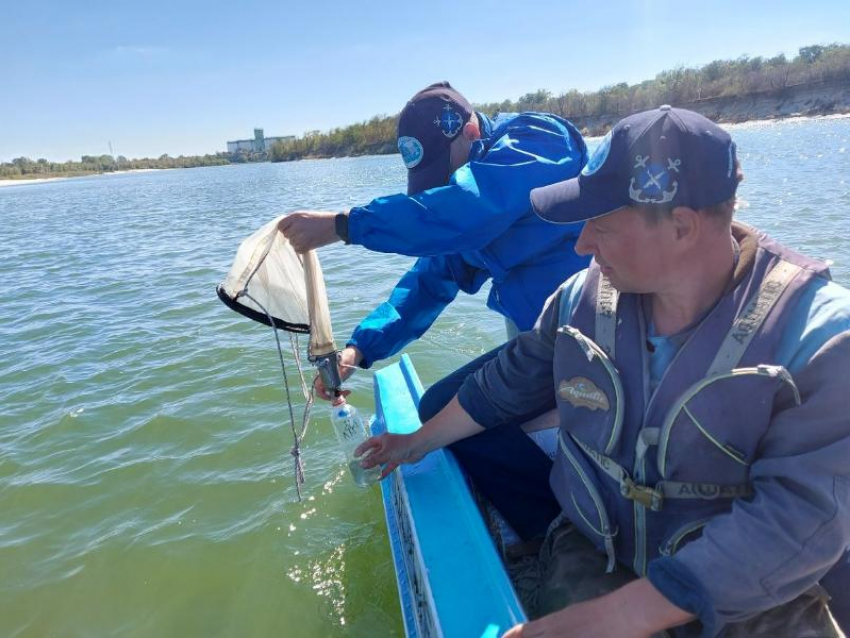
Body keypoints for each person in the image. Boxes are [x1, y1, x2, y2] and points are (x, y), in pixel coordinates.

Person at [357, 105, 850, 636]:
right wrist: (416, 442)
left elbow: (795, 521)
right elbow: (503, 385)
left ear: (681, 227)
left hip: (752, 592)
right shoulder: (579, 301)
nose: (581, 244)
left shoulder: (820, 339)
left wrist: (615, 618)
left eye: (602, 225)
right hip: (601, 546)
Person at [280, 82, 590, 539]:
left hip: (600, 332)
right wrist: (358, 352)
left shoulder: (539, 140)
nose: (444, 187)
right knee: (439, 407)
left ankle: (561, 533)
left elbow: (466, 208)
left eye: (445, 176)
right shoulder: (466, 200)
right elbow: (427, 284)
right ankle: (545, 518)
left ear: (469, 130)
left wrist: (344, 225)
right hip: (545, 343)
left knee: (458, 419)